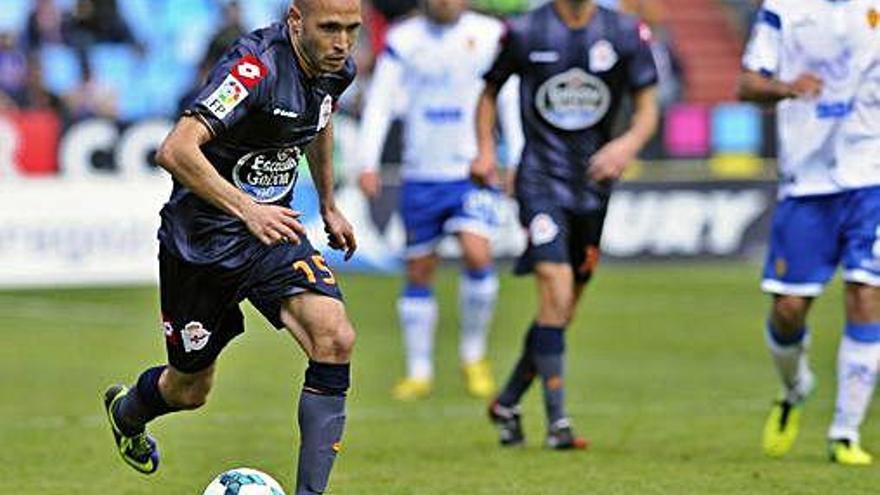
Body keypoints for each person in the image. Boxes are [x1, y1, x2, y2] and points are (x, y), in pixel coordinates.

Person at [101, 0, 361, 493]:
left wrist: (329, 203)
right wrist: (248, 208)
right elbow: (175, 149)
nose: (343, 43)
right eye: (330, 28)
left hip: (271, 237)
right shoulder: (253, 67)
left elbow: (321, 121)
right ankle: (127, 412)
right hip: (200, 246)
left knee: (335, 337)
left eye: (352, 29)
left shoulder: (335, 68)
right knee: (189, 389)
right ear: (295, 19)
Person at [472, 0, 658, 449]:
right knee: (554, 291)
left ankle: (508, 402)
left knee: (563, 310)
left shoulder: (626, 32)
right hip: (539, 181)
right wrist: (485, 150)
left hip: (594, 184)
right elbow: (489, 93)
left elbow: (647, 107)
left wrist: (626, 145)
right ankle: (558, 424)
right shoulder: (524, 31)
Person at [357, 0, 523, 401]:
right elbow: (379, 103)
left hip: (472, 169)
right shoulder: (402, 39)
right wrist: (367, 161)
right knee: (419, 270)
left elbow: (508, 96)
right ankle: (419, 371)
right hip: (421, 173)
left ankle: (473, 355)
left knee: (478, 253)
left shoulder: (489, 35)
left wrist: (516, 156)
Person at [739, 0, 880, 466]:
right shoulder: (783, 9)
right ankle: (794, 386)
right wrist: (787, 87)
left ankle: (845, 432)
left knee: (866, 290)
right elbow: (748, 84)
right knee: (789, 309)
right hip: (808, 181)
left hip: (870, 176)